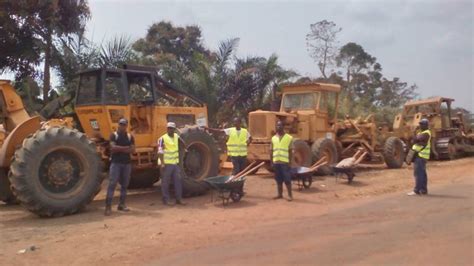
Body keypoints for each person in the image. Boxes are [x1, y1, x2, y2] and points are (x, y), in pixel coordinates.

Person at [105, 118, 135, 216]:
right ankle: (108, 207)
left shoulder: (130, 136)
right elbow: (112, 148)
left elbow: (133, 150)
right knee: (112, 184)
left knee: (125, 185)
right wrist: (126, 148)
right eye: (121, 124)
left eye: (124, 125)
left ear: (126, 126)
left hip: (127, 164)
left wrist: (119, 149)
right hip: (116, 163)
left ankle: (121, 204)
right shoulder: (114, 135)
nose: (122, 126)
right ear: (118, 125)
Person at [158, 122, 187, 206]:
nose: (170, 130)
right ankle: (166, 200)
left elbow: (182, 143)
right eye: (169, 128)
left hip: (175, 164)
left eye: (172, 128)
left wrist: (184, 149)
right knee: (165, 182)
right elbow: (160, 152)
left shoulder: (176, 137)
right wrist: (162, 164)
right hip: (166, 164)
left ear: (174, 130)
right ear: (167, 129)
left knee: (178, 181)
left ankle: (179, 199)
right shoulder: (162, 139)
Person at [270, 120, 294, 201]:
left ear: (283, 127)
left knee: (287, 179)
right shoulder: (273, 138)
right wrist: (271, 162)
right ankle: (279, 194)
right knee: (278, 179)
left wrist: (290, 162)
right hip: (276, 162)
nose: (278, 127)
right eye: (277, 126)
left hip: (285, 162)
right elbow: (271, 151)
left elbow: (290, 151)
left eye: (280, 126)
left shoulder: (289, 138)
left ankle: (290, 195)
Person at [407, 118, 431, 196]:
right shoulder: (421, 132)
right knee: (422, 173)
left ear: (426, 125)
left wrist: (414, 136)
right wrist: (415, 138)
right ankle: (423, 190)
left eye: (422, 124)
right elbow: (413, 140)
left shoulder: (426, 133)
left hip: (420, 155)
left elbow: (415, 140)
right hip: (420, 155)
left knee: (418, 174)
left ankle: (417, 190)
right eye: (420, 124)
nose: (420, 125)